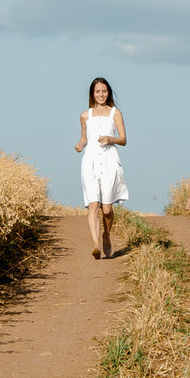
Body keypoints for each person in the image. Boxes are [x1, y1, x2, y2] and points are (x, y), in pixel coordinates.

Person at [75, 76, 129, 259]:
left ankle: (106, 235)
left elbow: (123, 139)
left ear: (108, 93)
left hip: (109, 160)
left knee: (107, 209)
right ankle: (96, 244)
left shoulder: (115, 113)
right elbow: (84, 137)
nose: (101, 94)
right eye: (97, 91)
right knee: (93, 205)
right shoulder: (85, 115)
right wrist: (80, 144)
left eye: (104, 91)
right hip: (90, 160)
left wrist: (110, 138)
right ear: (92, 93)